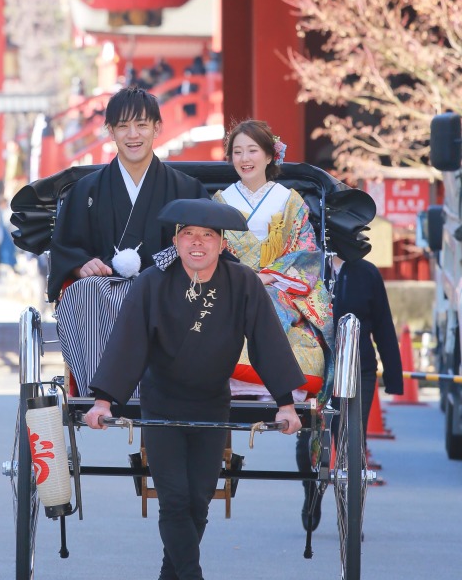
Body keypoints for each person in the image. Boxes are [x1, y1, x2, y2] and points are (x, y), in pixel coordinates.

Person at [84, 199, 303, 580]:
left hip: (211, 403)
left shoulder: (243, 282)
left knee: (199, 501)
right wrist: (104, 400)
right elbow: (128, 343)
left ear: (221, 243)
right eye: (188, 235)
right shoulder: (152, 282)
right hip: (162, 402)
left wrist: (286, 402)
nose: (197, 243)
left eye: (207, 236)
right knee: (174, 499)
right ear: (175, 240)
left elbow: (267, 343)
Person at [48, 87, 209, 395]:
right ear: (110, 131)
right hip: (103, 290)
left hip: (167, 286)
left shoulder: (186, 189)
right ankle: (102, 392)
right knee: (85, 291)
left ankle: (171, 391)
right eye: (123, 126)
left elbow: (206, 246)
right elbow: (65, 247)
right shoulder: (86, 191)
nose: (133, 135)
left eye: (142, 125)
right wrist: (81, 266)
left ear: (157, 128)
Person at [213, 120, 332, 397]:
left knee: (268, 304)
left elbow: (305, 251)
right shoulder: (220, 201)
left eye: (252, 150)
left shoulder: (290, 201)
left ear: (269, 155)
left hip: (280, 287)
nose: (244, 158)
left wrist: (266, 277)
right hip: (230, 284)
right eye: (237, 152)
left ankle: (275, 385)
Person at [295, 254, 403, 531]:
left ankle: (350, 515)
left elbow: (383, 324)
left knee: (352, 440)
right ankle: (311, 493)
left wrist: (393, 376)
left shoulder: (366, 272)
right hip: (314, 366)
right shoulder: (308, 263)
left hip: (358, 367)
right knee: (308, 439)